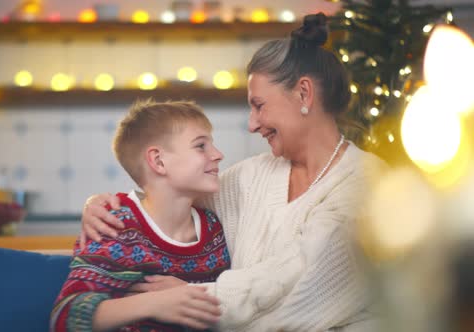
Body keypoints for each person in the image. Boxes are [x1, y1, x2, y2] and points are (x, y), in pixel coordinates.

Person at [78, 13, 386, 332]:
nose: (251, 124)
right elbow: (168, 193)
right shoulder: (252, 177)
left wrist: (189, 297)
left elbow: (299, 280)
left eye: (259, 105)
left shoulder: (368, 183)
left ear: (304, 94)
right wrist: (102, 206)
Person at [50, 100, 231, 332]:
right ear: (158, 161)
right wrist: (154, 303)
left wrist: (187, 292)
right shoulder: (115, 225)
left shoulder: (215, 228)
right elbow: (65, 318)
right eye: (201, 146)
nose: (218, 155)